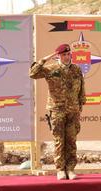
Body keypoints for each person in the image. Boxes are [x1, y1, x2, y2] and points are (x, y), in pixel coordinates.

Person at [29, 44, 86, 180]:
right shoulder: (51, 69)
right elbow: (33, 73)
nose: (66, 57)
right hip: (57, 110)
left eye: (68, 54)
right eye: (63, 55)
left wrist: (80, 105)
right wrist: (46, 58)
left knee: (71, 140)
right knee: (59, 141)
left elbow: (81, 88)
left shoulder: (76, 69)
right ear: (58, 56)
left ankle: (70, 169)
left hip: (73, 111)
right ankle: (60, 169)